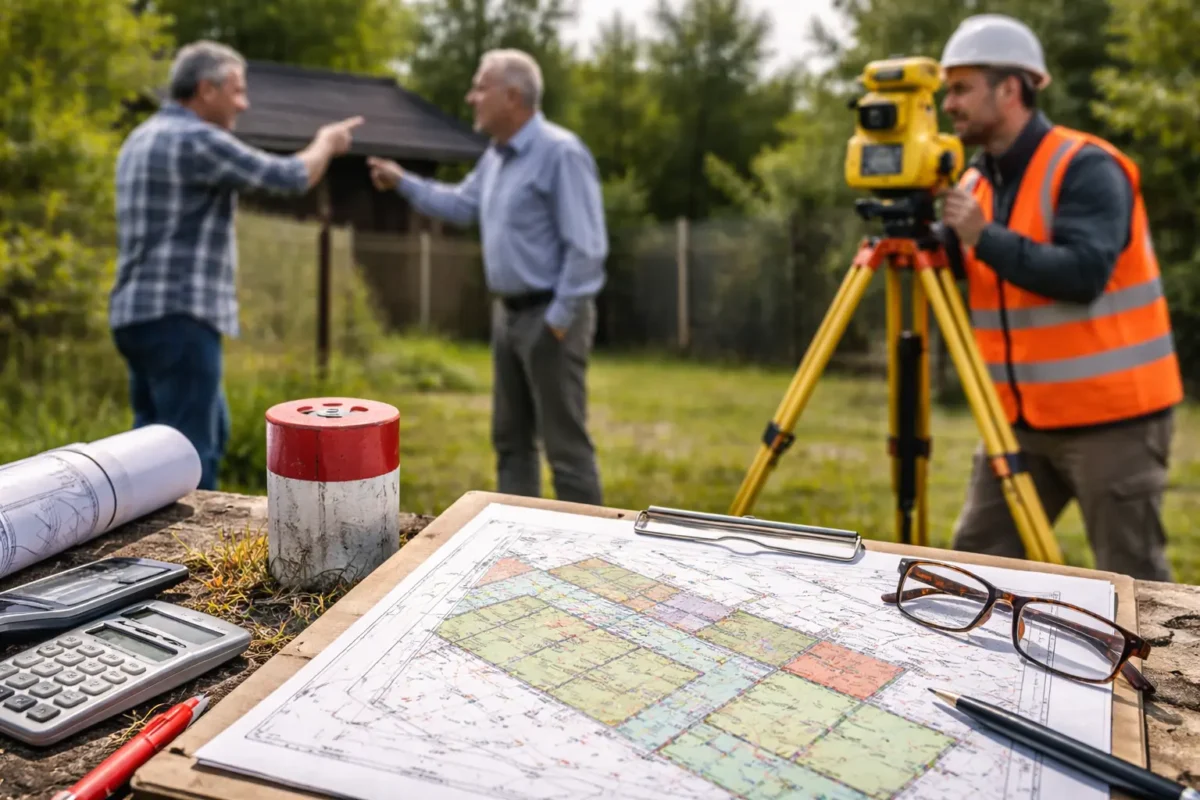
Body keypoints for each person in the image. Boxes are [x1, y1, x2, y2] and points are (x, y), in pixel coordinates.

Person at [935, 14, 1183, 580]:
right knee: (975, 566)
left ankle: (1160, 673)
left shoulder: (1087, 167)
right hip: (1019, 421)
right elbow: (964, 279)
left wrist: (983, 236)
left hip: (1113, 421)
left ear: (1012, 88)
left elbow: (1083, 275)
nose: (948, 105)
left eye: (961, 88)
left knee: (1134, 580)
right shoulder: (973, 186)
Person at [109, 41, 363, 490]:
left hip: (135, 316)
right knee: (190, 455)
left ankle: (140, 551)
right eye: (237, 91)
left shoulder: (140, 138)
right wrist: (326, 143)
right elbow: (290, 176)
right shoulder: (196, 139)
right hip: (180, 317)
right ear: (206, 89)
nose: (244, 104)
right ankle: (187, 557)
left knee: (150, 451)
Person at [368, 49, 608, 506]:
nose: (470, 96)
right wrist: (401, 181)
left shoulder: (561, 154)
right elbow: (460, 204)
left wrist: (557, 321)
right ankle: (522, 538)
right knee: (511, 441)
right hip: (508, 316)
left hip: (552, 317)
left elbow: (587, 249)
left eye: (480, 86)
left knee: (565, 449)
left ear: (513, 96)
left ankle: (590, 551)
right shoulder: (496, 158)